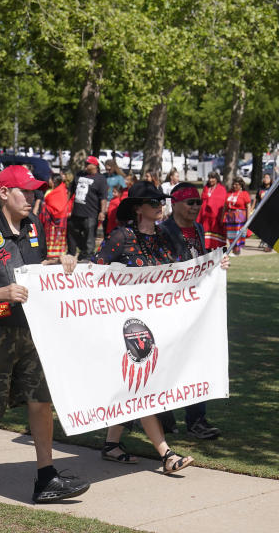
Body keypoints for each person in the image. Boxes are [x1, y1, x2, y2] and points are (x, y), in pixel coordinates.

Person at [0, 165, 89, 503]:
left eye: (33, 192)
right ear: (2, 193)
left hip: (31, 329)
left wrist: (59, 261)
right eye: (23, 191)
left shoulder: (33, 225)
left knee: (41, 400)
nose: (31, 197)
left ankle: (46, 477)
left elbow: (32, 270)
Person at [93, 181, 195, 473]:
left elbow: (180, 271)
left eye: (160, 202)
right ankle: (166, 454)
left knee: (133, 387)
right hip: (128, 327)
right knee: (142, 386)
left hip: (157, 323)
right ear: (138, 208)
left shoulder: (164, 236)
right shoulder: (121, 236)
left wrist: (215, 266)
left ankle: (112, 444)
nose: (159, 206)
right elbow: (95, 269)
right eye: (153, 202)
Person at [157, 183, 226, 439]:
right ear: (175, 203)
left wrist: (217, 261)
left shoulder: (197, 228)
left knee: (196, 363)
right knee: (166, 362)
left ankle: (197, 419)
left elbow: (200, 259)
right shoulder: (162, 231)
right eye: (190, 203)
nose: (195, 207)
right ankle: (161, 414)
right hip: (170, 306)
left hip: (194, 306)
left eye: (198, 202)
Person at [67, 156, 107, 260]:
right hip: (76, 212)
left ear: (95, 165)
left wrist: (102, 212)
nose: (85, 165)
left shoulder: (101, 179)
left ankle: (88, 257)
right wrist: (66, 205)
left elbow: (103, 198)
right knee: (72, 231)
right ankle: (82, 251)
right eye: (85, 163)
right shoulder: (79, 174)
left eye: (87, 163)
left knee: (89, 237)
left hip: (91, 213)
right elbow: (70, 191)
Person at [39, 174, 71, 260]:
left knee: (55, 235)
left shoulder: (60, 191)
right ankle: (51, 253)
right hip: (51, 220)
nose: (48, 180)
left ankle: (55, 255)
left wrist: (45, 206)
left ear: (54, 181)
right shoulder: (54, 190)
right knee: (49, 236)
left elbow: (59, 207)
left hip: (56, 219)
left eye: (50, 179)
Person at [197, 171, 227, 249]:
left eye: (213, 178)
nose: (211, 180)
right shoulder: (206, 188)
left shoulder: (221, 189)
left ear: (217, 179)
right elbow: (202, 201)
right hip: (205, 217)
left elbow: (222, 203)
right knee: (206, 238)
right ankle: (207, 249)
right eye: (209, 178)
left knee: (216, 237)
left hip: (216, 217)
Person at [224, 178, 253, 254]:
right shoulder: (229, 193)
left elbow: (248, 206)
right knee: (230, 235)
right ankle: (232, 249)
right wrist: (222, 217)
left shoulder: (244, 194)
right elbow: (225, 206)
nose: (234, 186)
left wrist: (248, 219)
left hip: (240, 217)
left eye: (236, 184)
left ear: (241, 185)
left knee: (238, 234)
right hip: (230, 217)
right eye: (233, 184)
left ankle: (237, 250)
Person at [255, 173, 274, 252]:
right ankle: (263, 241)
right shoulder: (260, 188)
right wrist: (253, 209)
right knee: (262, 226)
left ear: (270, 179)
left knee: (269, 227)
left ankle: (269, 245)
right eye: (264, 177)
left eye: (267, 177)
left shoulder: (273, 188)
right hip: (261, 210)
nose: (265, 179)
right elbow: (256, 199)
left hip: (270, 210)